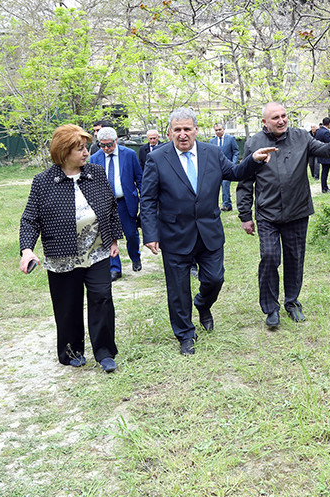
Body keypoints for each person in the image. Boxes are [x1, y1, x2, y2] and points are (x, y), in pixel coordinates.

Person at [139, 107, 277, 355]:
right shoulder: (157, 158)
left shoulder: (211, 152)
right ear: (169, 132)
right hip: (174, 234)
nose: (183, 134)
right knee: (178, 289)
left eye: (187, 129)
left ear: (196, 130)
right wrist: (150, 234)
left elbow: (234, 173)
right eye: (178, 130)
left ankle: (203, 304)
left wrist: (253, 160)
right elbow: (148, 199)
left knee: (215, 278)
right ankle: (185, 334)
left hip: (209, 231)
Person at [19, 124, 121, 372]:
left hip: (96, 252)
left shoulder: (96, 173)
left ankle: (105, 352)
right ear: (63, 152)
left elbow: (111, 210)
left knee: (102, 300)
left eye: (86, 148)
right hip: (62, 257)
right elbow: (30, 219)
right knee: (68, 306)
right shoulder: (43, 182)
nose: (86, 153)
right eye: (79, 149)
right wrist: (27, 249)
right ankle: (71, 351)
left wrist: (114, 239)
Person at [236, 103, 330, 328]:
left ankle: (292, 302)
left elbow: (323, 151)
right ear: (265, 122)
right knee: (269, 257)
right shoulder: (255, 143)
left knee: (295, 259)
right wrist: (245, 215)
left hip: (297, 211)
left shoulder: (301, 137)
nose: (281, 120)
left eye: (284, 116)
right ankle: (271, 309)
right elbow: (245, 180)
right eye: (275, 117)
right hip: (267, 213)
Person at [90, 127, 144, 280]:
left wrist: (144, 199)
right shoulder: (95, 158)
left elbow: (139, 179)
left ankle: (135, 258)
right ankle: (115, 268)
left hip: (126, 202)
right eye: (103, 145)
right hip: (105, 204)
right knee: (108, 236)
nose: (106, 148)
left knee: (131, 234)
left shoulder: (129, 155)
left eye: (109, 145)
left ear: (116, 141)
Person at [210, 123, 239, 212]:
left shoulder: (231, 139)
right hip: (216, 168)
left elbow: (236, 152)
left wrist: (233, 163)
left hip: (227, 167)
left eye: (220, 129)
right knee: (214, 187)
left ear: (224, 129)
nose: (218, 131)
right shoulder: (212, 141)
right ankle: (212, 205)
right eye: (216, 130)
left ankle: (227, 205)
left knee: (226, 185)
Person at [314, 117, 330, 193]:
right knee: (325, 172)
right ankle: (324, 188)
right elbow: (329, 143)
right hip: (326, 155)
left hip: (321, 153)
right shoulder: (326, 132)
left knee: (324, 171)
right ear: (329, 124)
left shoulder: (319, 131)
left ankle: (325, 187)